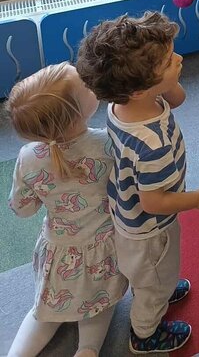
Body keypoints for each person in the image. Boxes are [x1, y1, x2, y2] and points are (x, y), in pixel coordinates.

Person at [76, 12, 199, 354]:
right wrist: (197, 199)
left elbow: (178, 99)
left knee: (151, 272)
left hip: (126, 209)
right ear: (141, 90)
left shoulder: (122, 105)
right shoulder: (152, 144)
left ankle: (159, 284)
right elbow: (154, 202)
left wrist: (166, 81)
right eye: (170, 61)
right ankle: (145, 333)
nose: (180, 59)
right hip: (148, 227)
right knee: (153, 280)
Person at [7, 62, 127, 357]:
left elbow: (22, 208)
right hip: (102, 250)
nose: (90, 82)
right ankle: (87, 349)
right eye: (85, 84)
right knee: (98, 303)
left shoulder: (28, 156)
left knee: (43, 312)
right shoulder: (108, 143)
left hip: (57, 253)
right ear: (76, 113)